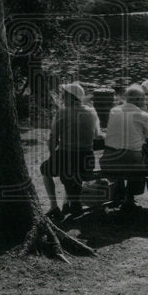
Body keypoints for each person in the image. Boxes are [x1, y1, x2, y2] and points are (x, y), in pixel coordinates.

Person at [40, 82, 101, 221]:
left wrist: (53, 155)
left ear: (71, 97)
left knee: (45, 168)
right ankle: (69, 202)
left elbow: (53, 138)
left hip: (67, 158)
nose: (61, 97)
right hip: (87, 159)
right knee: (70, 172)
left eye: (64, 95)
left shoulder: (62, 112)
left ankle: (54, 205)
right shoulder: (92, 111)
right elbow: (97, 135)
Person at [100, 84, 148, 213]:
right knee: (141, 160)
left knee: (122, 154)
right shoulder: (143, 115)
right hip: (130, 163)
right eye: (143, 99)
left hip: (108, 161)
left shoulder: (113, 110)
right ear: (139, 100)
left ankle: (120, 195)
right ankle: (129, 198)